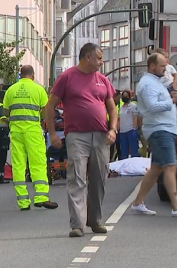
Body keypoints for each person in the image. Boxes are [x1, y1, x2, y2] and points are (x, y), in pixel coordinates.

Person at [46, 43, 117, 237]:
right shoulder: (67, 77)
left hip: (101, 136)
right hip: (77, 135)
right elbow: (50, 105)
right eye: (99, 58)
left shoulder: (103, 80)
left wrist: (113, 129)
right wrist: (53, 133)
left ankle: (94, 220)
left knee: (98, 179)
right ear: (88, 57)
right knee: (77, 177)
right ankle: (77, 225)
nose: (102, 63)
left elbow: (112, 107)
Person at [131, 53, 177, 217]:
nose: (165, 68)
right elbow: (153, 107)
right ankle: (176, 206)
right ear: (152, 66)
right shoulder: (147, 84)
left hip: (163, 128)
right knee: (170, 166)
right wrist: (173, 101)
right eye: (162, 66)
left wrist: (174, 97)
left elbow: (157, 104)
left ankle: (138, 203)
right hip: (159, 129)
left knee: (157, 168)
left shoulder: (155, 82)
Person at [3, 66, 58, 210]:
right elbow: (46, 112)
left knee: (19, 165)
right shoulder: (38, 89)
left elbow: (7, 112)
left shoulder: (11, 90)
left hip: (16, 132)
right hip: (33, 131)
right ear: (32, 76)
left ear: (20, 75)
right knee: (38, 163)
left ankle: (23, 202)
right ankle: (41, 197)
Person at [154, 49, 177, 128]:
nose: (167, 59)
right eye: (165, 57)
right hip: (164, 88)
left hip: (170, 85)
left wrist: (174, 84)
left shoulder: (170, 67)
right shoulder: (157, 69)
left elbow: (176, 75)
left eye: (167, 57)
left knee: (175, 96)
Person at [118, 90, 141, 159]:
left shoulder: (133, 106)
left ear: (129, 96)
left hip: (131, 130)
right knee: (124, 153)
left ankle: (135, 167)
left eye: (126, 95)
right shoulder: (121, 107)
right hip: (122, 132)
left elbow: (135, 118)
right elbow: (120, 119)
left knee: (134, 152)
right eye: (123, 96)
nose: (125, 97)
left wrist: (134, 129)